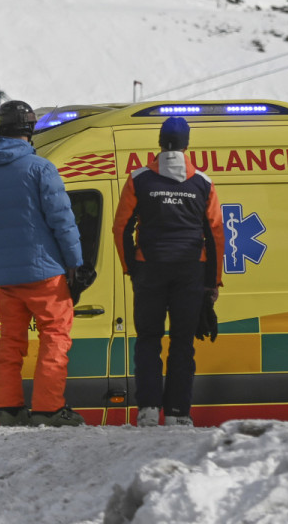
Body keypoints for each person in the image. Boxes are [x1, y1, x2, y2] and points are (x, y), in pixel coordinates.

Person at [0, 99, 88, 428]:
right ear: (29, 130)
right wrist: (75, 262)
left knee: (10, 342)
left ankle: (9, 410)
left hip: (6, 279)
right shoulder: (41, 168)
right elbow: (62, 220)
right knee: (55, 337)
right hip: (46, 273)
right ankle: (49, 410)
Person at [113, 117, 224, 427]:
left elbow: (121, 227)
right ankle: (177, 413)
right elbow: (215, 233)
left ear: (159, 143)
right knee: (182, 342)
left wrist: (132, 268)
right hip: (190, 271)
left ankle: (148, 410)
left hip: (150, 269)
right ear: (187, 145)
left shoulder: (139, 180)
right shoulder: (203, 183)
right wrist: (212, 282)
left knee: (148, 339)